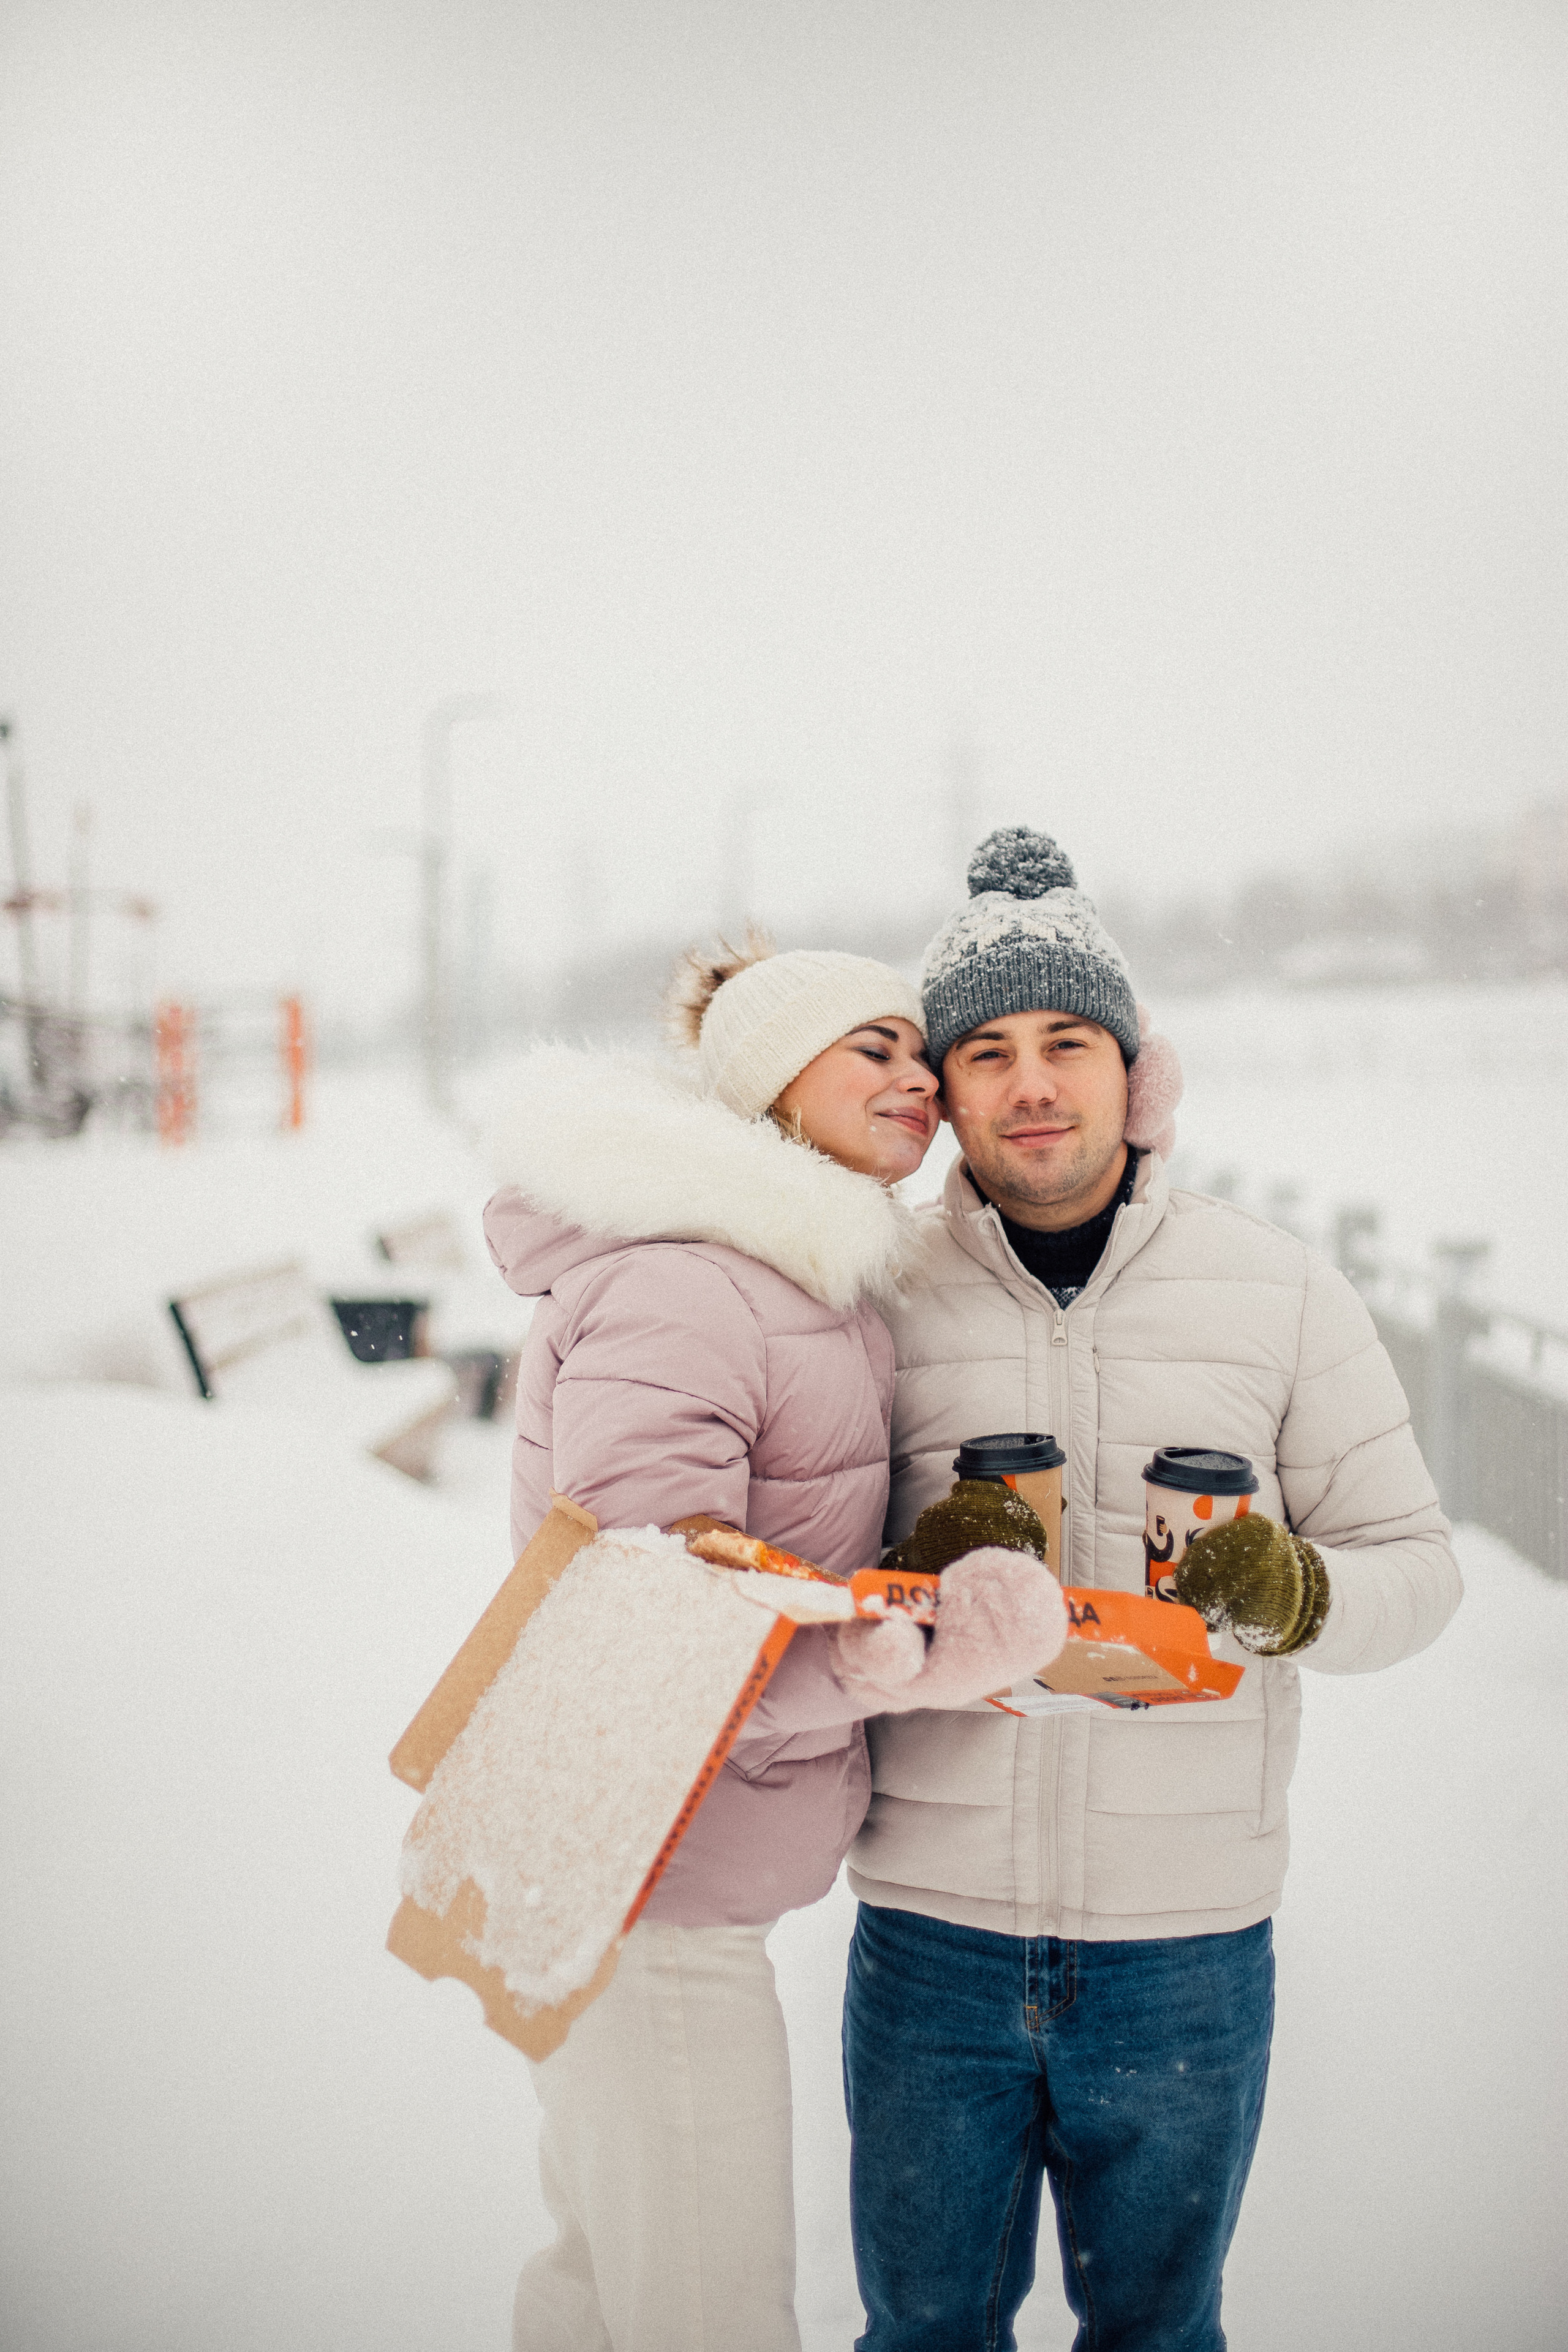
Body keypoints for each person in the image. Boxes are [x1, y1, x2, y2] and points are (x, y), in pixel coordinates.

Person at [843, 826, 1463, 2352]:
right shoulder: (866, 1291)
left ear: (1137, 1074)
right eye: (984, 1051)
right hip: (930, 1938)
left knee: (1158, 2338)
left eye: (1066, 1042)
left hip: (1181, 1949)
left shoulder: (1277, 1290)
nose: (1031, 1083)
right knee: (922, 2339)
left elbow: (1420, 1570)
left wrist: (1295, 1596)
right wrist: (890, 1599)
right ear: (945, 1092)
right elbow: (784, 1579)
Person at [483, 937, 1068, 2352]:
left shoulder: (795, 1282)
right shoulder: (690, 1288)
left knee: (605, 2281)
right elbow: (641, 1614)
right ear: (765, 1084)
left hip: (643, 1859)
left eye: (918, 1052)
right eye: (871, 1048)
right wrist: (906, 1664)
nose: (918, 1080)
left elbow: (765, 1561)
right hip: (645, 1879)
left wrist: (907, 1610)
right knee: (707, 2308)